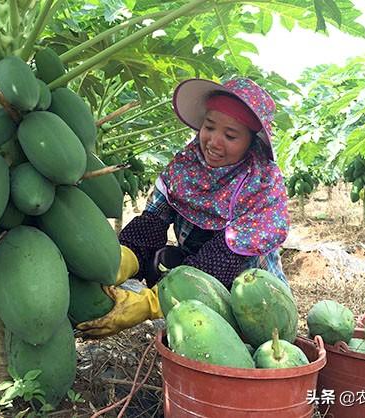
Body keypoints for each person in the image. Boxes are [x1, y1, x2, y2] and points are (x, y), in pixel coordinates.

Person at [77, 78, 290, 337]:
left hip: (253, 299)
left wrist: (150, 303)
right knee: (161, 262)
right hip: (195, 267)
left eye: (230, 135)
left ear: (250, 141)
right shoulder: (186, 166)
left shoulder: (262, 184)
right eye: (209, 127)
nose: (214, 142)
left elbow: (225, 258)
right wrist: (117, 261)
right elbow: (152, 221)